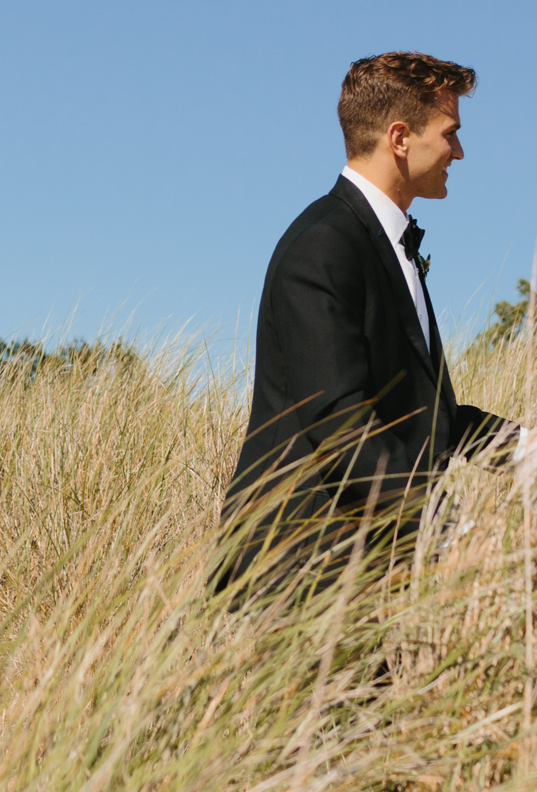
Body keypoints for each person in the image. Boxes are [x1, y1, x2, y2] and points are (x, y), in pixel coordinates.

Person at [217, 52, 509, 597]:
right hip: (301, 571)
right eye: (451, 134)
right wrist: (453, 529)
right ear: (400, 138)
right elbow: (339, 427)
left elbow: (422, 415)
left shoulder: (381, 242)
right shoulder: (324, 246)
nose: (460, 152)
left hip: (370, 568)